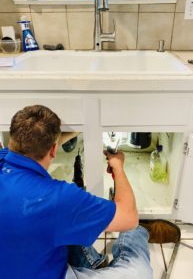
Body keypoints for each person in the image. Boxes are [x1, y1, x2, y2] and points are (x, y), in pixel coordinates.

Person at [0, 105, 180, 279]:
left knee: (54, 222)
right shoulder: (56, 198)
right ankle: (137, 235)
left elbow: (30, 147)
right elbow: (129, 218)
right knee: (139, 274)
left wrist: (78, 131)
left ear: (12, 140)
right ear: (54, 150)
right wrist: (118, 167)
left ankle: (95, 264)